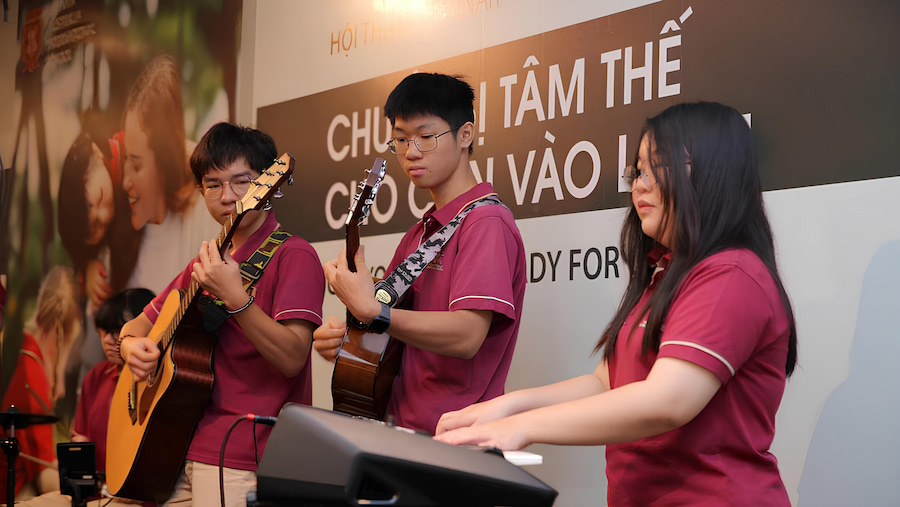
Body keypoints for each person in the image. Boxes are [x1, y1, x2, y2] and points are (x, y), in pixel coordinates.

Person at [435, 102, 799, 505]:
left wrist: (523, 427)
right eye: (638, 170)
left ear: (712, 170)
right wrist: (504, 409)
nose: (639, 185)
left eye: (656, 167)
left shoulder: (732, 274)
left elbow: (667, 402)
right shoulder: (665, 273)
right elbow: (603, 384)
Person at [118, 122, 325, 506]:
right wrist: (131, 346)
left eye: (241, 181)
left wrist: (237, 298)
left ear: (269, 183)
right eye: (213, 184)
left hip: (246, 453)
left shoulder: (293, 254)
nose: (227, 196)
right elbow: (137, 324)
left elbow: (294, 358)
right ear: (200, 191)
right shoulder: (207, 261)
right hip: (179, 444)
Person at [313, 72, 527, 435]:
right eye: (400, 139)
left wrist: (373, 312)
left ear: (465, 135)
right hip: (401, 435)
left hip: (456, 443)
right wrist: (348, 340)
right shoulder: (419, 232)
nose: (410, 152)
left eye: (426, 137)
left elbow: (467, 334)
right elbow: (390, 335)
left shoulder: (486, 221)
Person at [120, 54, 220, 295]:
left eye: (136, 165)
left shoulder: (204, 211)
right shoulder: (125, 220)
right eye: (126, 158)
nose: (125, 182)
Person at [1, 266, 82, 501]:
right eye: (64, 350)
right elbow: (44, 476)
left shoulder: (24, 359)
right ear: (56, 333)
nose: (61, 389)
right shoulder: (32, 377)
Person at [71, 288, 156, 478]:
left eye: (116, 331)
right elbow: (80, 436)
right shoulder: (96, 376)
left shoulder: (160, 376)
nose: (107, 340)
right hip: (98, 489)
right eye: (102, 332)